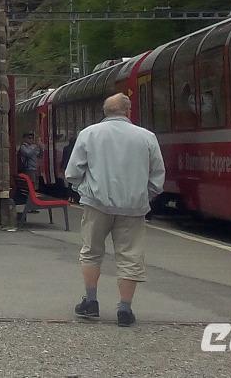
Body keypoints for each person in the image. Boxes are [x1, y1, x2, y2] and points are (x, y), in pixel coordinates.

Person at [65, 93, 164, 327]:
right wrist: (143, 195)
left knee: (91, 251)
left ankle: (90, 302)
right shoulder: (147, 137)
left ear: (105, 111)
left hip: (96, 203)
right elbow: (157, 176)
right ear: (128, 111)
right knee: (130, 256)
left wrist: (85, 190)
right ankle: (125, 309)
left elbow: (72, 172)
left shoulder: (88, 134)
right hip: (133, 207)